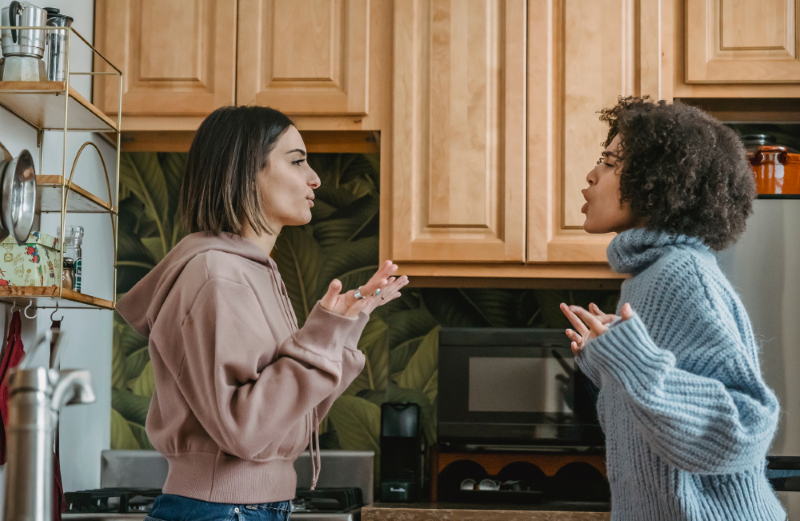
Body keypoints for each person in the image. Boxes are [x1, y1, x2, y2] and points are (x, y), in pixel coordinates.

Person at [116, 105, 408, 521]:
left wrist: (343, 327)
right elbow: (244, 431)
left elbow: (291, 416)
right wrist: (321, 337)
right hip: (222, 509)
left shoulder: (251, 273)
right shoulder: (217, 275)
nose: (315, 178)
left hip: (243, 508)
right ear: (246, 170)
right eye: (297, 161)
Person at [559, 97, 785, 520]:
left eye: (609, 162)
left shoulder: (679, 273)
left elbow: (746, 429)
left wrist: (635, 364)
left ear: (657, 181)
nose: (592, 175)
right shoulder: (645, 278)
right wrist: (608, 361)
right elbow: (654, 433)